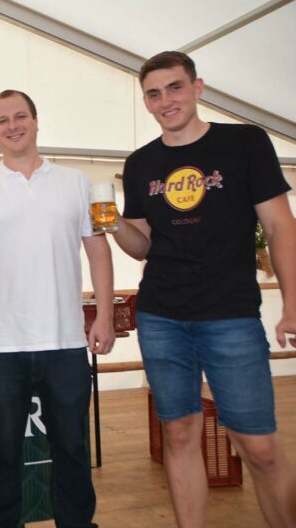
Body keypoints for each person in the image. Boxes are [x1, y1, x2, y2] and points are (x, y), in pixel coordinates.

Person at [110, 51, 296, 528]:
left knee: (258, 446)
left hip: (231, 315)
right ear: (146, 102)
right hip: (161, 317)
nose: (165, 100)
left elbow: (280, 227)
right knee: (178, 437)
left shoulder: (245, 143)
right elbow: (140, 246)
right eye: (154, 93)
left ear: (197, 88)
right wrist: (111, 223)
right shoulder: (141, 163)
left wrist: (293, 302)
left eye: (175, 87)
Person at [0, 89, 115, 528]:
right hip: (2, 344)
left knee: (72, 447)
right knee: (4, 450)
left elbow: (98, 251)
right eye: (2, 121)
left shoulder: (74, 181)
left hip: (64, 340)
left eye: (20, 117)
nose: (12, 126)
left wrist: (105, 315)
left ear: (36, 121)